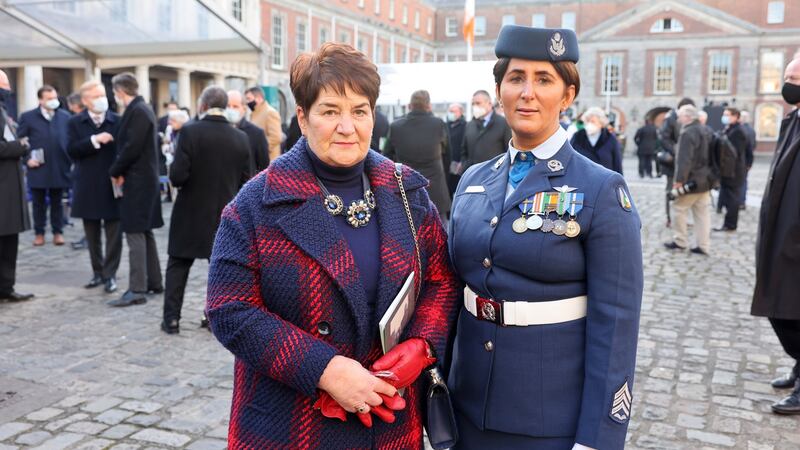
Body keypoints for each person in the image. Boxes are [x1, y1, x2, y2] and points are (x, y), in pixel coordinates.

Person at [206, 42, 459, 448]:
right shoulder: (255, 204)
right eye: (330, 111)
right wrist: (323, 369)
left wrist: (422, 345)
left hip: (388, 421)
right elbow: (230, 308)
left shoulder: (407, 193)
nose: (347, 126)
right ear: (303, 118)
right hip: (291, 423)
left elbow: (442, 282)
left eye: (359, 111)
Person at [447, 25, 643, 450]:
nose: (527, 93)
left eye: (544, 80)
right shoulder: (474, 180)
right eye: (516, 78)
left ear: (568, 95)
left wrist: (599, 439)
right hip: (467, 405)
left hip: (548, 417)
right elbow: (452, 290)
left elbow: (617, 324)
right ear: (498, 90)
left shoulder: (601, 190)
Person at [161, 87, 251, 334]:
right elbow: (248, 181)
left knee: (178, 265)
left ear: (202, 105)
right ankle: (213, 318)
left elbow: (178, 176)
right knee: (220, 269)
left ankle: (171, 319)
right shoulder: (240, 138)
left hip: (190, 212)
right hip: (225, 215)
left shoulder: (189, 131)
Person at [752, 55, 800, 415]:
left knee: (792, 310)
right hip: (779, 235)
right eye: (788, 76)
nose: (789, 83)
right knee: (780, 309)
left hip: (796, 239)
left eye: (796, 77)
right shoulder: (792, 120)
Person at [107, 72, 164, 307]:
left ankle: (137, 288)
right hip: (142, 179)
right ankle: (154, 281)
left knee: (134, 232)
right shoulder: (141, 109)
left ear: (120, 91)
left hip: (138, 181)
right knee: (145, 230)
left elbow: (132, 147)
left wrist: (114, 170)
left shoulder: (139, 111)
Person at [66, 80, 122, 294]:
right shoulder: (75, 123)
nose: (102, 99)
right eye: (96, 96)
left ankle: (110, 275)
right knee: (91, 234)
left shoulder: (117, 120)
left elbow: (126, 148)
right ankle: (97, 272)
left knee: (114, 234)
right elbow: (71, 149)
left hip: (112, 183)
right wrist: (94, 140)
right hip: (87, 184)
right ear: (85, 100)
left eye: (103, 95)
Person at [383, 90, 451, 221]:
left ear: (410, 105)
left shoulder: (396, 126)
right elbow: (447, 154)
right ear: (429, 106)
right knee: (439, 235)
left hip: (406, 188)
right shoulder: (438, 124)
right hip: (436, 188)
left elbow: (386, 157)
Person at [17, 85, 71, 247]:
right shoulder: (28, 117)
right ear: (40, 100)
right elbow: (20, 141)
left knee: (57, 201)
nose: (53, 101)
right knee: (38, 202)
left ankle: (58, 232)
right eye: (49, 98)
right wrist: (27, 159)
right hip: (37, 166)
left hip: (59, 165)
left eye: (55, 97)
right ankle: (39, 233)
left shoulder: (64, 116)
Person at [0, 69, 34, 302]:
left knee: (9, 241)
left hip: (10, 186)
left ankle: (6, 286)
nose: (8, 89)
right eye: (4, 85)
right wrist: (21, 147)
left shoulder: (3, 111)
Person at [664, 104, 712, 255]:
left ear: (688, 117)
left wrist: (679, 181)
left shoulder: (688, 132)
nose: (678, 119)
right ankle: (703, 245)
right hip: (705, 180)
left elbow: (684, 159)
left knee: (678, 209)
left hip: (691, 181)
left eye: (680, 116)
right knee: (702, 213)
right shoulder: (706, 130)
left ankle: (680, 241)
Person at [460, 89, 513, 170]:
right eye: (473, 104)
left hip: (495, 176)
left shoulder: (503, 123)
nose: (475, 106)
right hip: (474, 176)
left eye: (478, 103)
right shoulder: (470, 125)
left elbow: (509, 151)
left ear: (489, 104)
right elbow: (464, 151)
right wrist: (465, 167)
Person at [714, 107, 748, 232]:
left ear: (735, 116)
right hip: (729, 170)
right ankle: (728, 223)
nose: (725, 117)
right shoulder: (730, 129)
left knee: (733, 199)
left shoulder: (738, 131)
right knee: (729, 198)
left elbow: (734, 153)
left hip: (734, 171)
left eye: (727, 115)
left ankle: (730, 224)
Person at [226, 90, 269, 176]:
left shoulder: (256, 133)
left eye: (235, 106)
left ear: (244, 109)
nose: (230, 109)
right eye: (227, 106)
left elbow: (263, 167)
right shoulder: (219, 131)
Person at [570, 107, 623, 175]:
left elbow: (617, 164)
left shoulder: (610, 139)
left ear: (601, 123)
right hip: (581, 179)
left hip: (604, 180)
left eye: (593, 121)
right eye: (587, 121)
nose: (589, 124)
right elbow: (570, 157)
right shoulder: (578, 136)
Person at [245, 86, 282, 163]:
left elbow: (276, 137)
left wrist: (258, 149)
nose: (247, 102)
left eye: (249, 99)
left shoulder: (270, 112)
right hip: (257, 160)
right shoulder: (254, 113)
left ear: (259, 98)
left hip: (268, 162)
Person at [446, 103, 467, 197]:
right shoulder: (445, 126)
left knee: (460, 192)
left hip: (460, 165)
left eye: (454, 111)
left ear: (461, 112)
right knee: (448, 192)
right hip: (447, 165)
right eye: (450, 111)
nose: (451, 113)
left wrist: (462, 162)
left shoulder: (466, 126)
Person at [739, 110, 756, 209]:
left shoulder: (741, 130)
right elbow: (753, 145)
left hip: (741, 160)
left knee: (740, 182)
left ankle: (740, 201)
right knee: (744, 181)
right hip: (747, 160)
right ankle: (742, 201)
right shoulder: (752, 130)